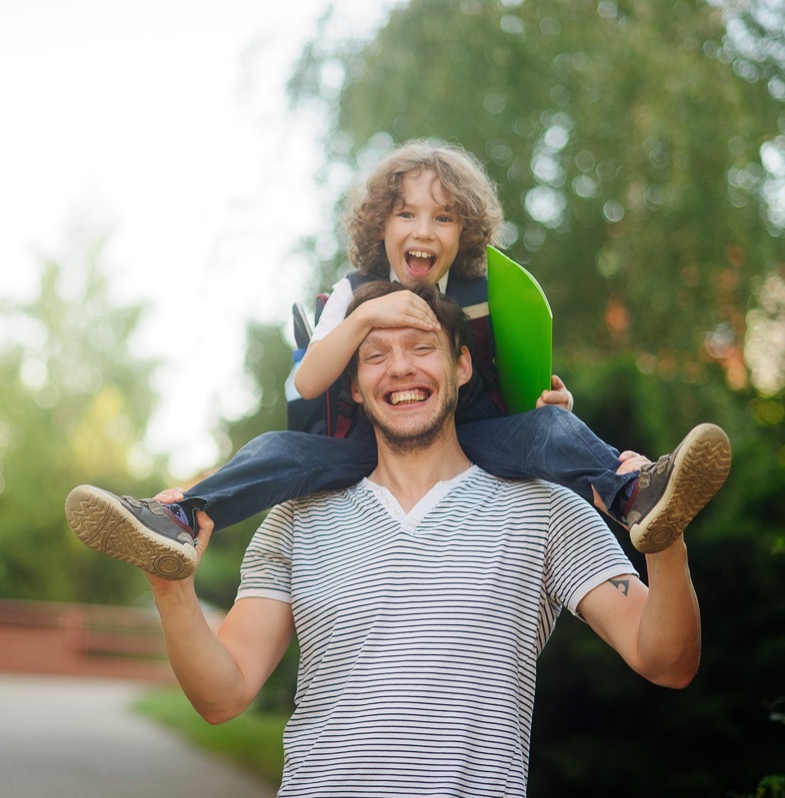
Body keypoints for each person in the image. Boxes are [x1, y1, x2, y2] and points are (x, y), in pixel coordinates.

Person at [143, 282, 715, 796]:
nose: (400, 368)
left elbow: (667, 662)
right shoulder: (298, 517)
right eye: (375, 355)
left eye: (420, 347)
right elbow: (223, 696)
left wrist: (663, 541)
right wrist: (172, 589)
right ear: (356, 388)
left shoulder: (545, 508)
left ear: (461, 365)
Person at [65, 139, 731, 580]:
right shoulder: (354, 293)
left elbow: (519, 392)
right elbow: (305, 380)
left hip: (472, 439)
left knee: (557, 429)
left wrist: (544, 409)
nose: (422, 229)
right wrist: (365, 319)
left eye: (442, 218)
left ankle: (633, 493)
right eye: (406, 213)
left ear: (461, 234)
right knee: (275, 449)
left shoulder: (485, 297)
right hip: (364, 447)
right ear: (379, 226)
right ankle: (181, 516)